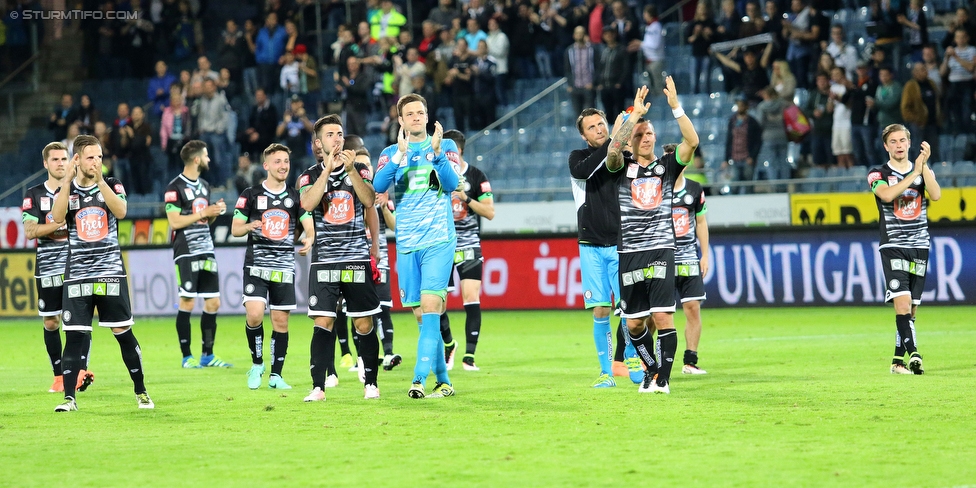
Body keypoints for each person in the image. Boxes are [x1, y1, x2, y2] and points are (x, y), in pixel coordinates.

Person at [605, 79, 700, 394]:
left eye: (650, 134)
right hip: (629, 252)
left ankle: (664, 379)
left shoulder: (667, 168)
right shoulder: (621, 168)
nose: (646, 138)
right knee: (634, 323)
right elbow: (612, 151)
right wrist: (633, 118)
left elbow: (692, 141)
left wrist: (676, 107)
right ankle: (653, 370)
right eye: (640, 135)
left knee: (662, 317)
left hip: (661, 249)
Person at [50, 134, 152, 411]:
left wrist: (100, 182)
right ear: (78, 160)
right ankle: (69, 399)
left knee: (122, 332)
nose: (97, 162)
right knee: (74, 335)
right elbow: (57, 218)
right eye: (91, 157)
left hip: (110, 272)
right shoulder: (67, 190)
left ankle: (141, 391)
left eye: (100, 157)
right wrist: (66, 182)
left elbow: (120, 211)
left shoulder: (112, 184)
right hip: (78, 275)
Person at [374, 94, 459, 399]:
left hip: (439, 239)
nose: (415, 117)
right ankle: (445, 380)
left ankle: (418, 379)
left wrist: (436, 155)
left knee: (431, 306)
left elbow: (451, 185)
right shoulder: (390, 153)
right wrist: (398, 155)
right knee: (422, 317)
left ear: (427, 115)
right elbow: (377, 186)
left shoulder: (445, 146)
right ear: (401, 120)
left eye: (420, 112)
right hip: (407, 243)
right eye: (409, 114)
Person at [299, 115, 382, 401]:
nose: (337, 138)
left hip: (356, 258)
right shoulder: (308, 176)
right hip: (324, 262)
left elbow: (370, 200)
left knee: (363, 324)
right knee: (323, 321)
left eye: (340, 133)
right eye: (330, 134)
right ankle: (318, 387)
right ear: (319, 143)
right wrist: (328, 170)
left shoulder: (359, 168)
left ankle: (370, 383)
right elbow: (308, 203)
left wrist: (349, 170)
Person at [569, 104, 642, 388]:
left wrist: (619, 138)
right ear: (585, 137)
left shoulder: (622, 156)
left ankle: (632, 356)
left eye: (601, 124)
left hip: (620, 244)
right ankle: (605, 372)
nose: (598, 129)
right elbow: (585, 171)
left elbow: (618, 159)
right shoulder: (577, 158)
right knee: (600, 310)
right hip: (591, 246)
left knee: (628, 308)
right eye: (592, 127)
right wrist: (613, 138)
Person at [233, 143, 314, 390]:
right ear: (266, 165)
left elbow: (308, 224)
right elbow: (235, 228)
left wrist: (309, 237)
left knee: (281, 322)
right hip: (256, 267)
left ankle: (276, 376)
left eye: (286, 161)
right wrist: (249, 226)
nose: (283, 166)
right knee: (255, 314)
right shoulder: (250, 194)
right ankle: (257, 364)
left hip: (284, 268)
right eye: (277, 161)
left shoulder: (295, 197)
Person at [867, 125, 940, 375]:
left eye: (902, 140)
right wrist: (913, 174)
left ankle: (898, 362)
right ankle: (915, 355)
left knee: (912, 308)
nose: (898, 145)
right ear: (886, 146)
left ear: (909, 143)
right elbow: (887, 196)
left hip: (920, 244)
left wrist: (924, 166)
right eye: (893, 141)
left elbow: (937, 194)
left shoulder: (921, 168)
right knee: (902, 304)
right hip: (893, 246)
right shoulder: (877, 174)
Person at [22, 142, 94, 394]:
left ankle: (80, 372)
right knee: (51, 322)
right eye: (55, 160)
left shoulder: (81, 190)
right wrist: (58, 225)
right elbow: (31, 231)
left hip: (78, 266)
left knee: (80, 322)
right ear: (45, 164)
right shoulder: (33, 195)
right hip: (48, 268)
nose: (60, 163)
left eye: (64, 158)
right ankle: (58, 376)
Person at [164, 140, 231, 369]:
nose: (209, 159)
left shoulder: (204, 185)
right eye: (206, 155)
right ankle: (186, 357)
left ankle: (208, 355)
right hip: (186, 251)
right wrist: (204, 211)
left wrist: (214, 213)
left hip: (206, 248)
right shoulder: (174, 188)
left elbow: (203, 218)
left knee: (213, 302)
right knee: (188, 300)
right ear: (196, 159)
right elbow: (174, 222)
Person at [437, 130, 494, 372]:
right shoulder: (435, 172)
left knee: (471, 296)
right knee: (438, 303)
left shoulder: (476, 175)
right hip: (441, 244)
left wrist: (466, 198)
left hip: (468, 243)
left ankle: (469, 356)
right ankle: (449, 343)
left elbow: (490, 212)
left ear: (457, 151)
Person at [671, 168, 710, 375]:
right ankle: (646, 361)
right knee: (656, 315)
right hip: (663, 259)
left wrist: (705, 255)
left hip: (688, 259)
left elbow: (701, 222)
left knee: (693, 308)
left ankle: (690, 361)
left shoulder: (694, 189)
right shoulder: (655, 189)